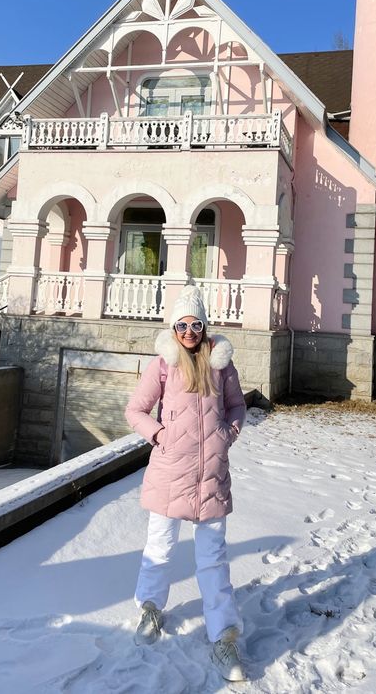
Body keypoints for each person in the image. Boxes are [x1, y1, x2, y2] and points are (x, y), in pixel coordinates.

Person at [124, 285, 247, 682]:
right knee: (159, 548)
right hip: (168, 474)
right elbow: (136, 410)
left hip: (211, 477)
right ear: (173, 328)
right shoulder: (163, 365)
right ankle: (150, 609)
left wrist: (227, 434)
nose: (189, 331)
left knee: (213, 559)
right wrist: (159, 436)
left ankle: (224, 637)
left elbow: (237, 406)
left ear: (205, 325)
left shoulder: (220, 363)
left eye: (196, 324)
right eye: (182, 325)